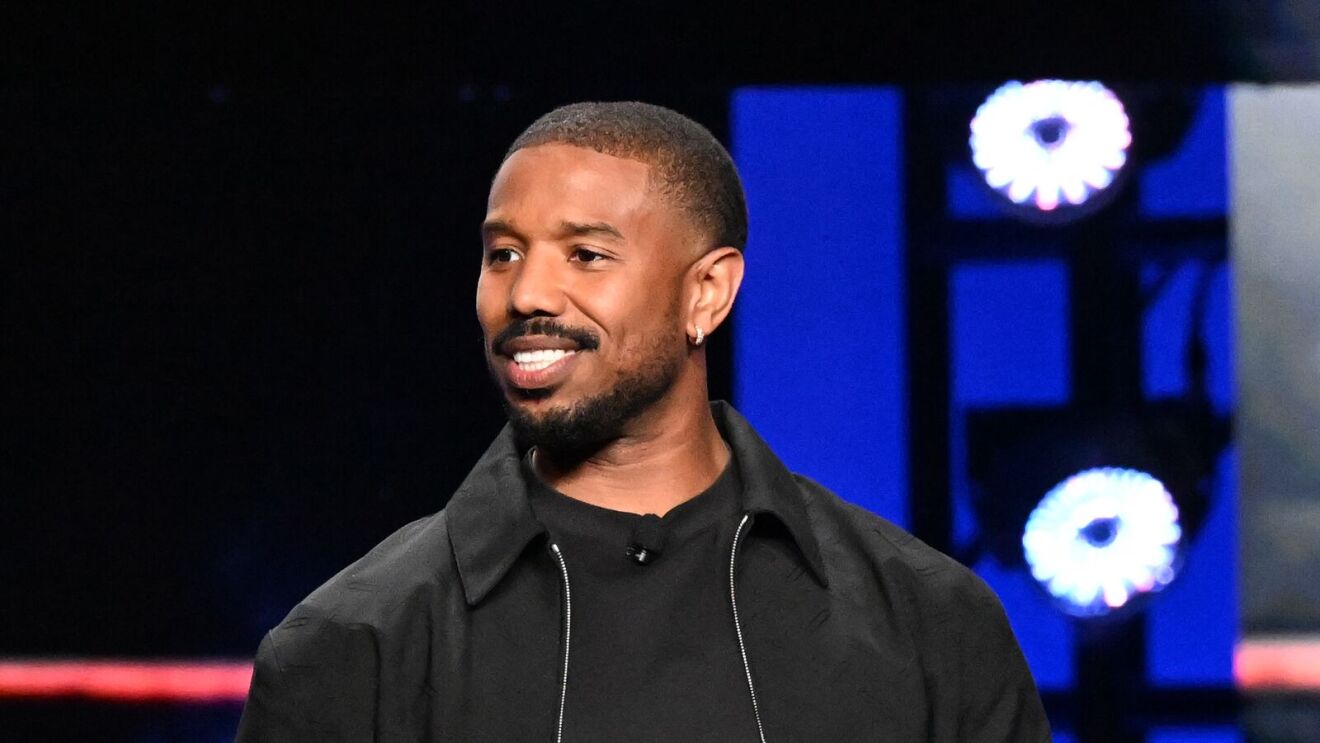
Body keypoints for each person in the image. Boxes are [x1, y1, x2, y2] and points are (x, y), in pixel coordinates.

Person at [235, 101, 1051, 742]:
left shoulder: (928, 623)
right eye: (503, 254)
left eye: (585, 255)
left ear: (707, 293)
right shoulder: (352, 646)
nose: (526, 294)